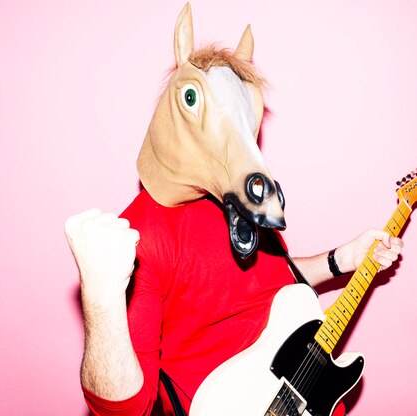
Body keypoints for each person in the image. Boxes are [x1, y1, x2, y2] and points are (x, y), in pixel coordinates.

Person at [64, 4, 404, 416]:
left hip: (300, 393)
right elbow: (126, 409)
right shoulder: (141, 234)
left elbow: (274, 286)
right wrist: (101, 298)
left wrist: (341, 259)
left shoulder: (235, 197)